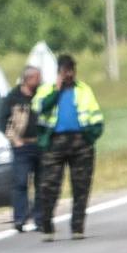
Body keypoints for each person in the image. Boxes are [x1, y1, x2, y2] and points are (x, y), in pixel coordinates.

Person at [33, 54, 104, 241]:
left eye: (71, 70)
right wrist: (56, 90)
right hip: (54, 143)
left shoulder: (83, 90)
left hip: (80, 142)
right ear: (58, 72)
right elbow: (40, 108)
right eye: (65, 70)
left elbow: (96, 117)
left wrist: (90, 136)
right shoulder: (46, 90)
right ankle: (47, 226)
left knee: (81, 187)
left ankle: (77, 227)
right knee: (48, 187)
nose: (69, 74)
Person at [2, 65, 43, 232]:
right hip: (22, 145)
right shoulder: (13, 97)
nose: (39, 81)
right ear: (28, 79)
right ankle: (20, 217)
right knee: (20, 183)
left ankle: (40, 218)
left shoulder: (41, 94)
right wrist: (14, 140)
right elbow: (3, 121)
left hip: (40, 144)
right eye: (36, 78)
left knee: (42, 183)